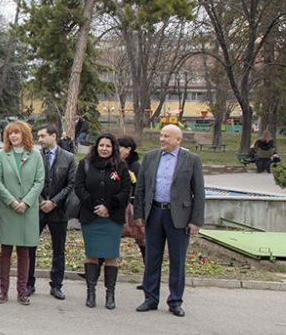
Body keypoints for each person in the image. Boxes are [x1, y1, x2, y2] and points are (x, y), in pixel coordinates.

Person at [134, 124, 205, 317]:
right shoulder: (150, 157)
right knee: (152, 258)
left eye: (167, 136)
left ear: (178, 140)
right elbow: (140, 189)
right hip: (155, 213)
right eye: (161, 135)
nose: (162, 139)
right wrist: (139, 214)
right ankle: (150, 298)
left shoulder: (191, 160)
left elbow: (198, 192)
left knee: (177, 260)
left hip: (179, 217)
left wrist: (196, 221)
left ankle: (175, 301)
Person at [73, 134, 131, 309]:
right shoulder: (85, 164)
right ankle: (91, 293)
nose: (104, 148)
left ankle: (110, 294)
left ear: (113, 148)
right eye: (101, 145)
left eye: (108, 146)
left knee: (111, 255)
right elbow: (79, 187)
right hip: (91, 217)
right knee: (91, 254)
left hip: (112, 218)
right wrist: (95, 206)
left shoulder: (120, 166)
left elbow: (125, 190)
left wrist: (108, 207)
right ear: (96, 147)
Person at [0, 121, 45, 305]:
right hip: (8, 209)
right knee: (5, 251)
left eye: (17, 133)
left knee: (24, 251)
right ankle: (3, 291)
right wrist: (12, 201)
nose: (13, 136)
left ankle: (22, 291)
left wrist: (27, 202)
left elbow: (39, 181)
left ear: (25, 134)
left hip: (27, 211)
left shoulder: (35, 155)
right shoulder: (1, 155)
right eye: (10, 133)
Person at [27, 123, 76, 300]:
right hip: (36, 210)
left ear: (53, 136)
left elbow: (71, 183)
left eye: (42, 136)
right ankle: (28, 283)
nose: (39, 140)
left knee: (59, 250)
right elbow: (29, 181)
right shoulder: (34, 156)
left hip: (58, 210)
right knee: (30, 247)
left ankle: (56, 285)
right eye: (38, 136)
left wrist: (54, 202)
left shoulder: (68, 158)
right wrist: (41, 201)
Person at [117, 135, 146, 289]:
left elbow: (139, 187)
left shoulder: (135, 166)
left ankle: (148, 276)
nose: (116, 149)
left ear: (128, 149)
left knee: (141, 240)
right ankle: (95, 268)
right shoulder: (114, 163)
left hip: (132, 209)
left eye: (119, 146)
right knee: (112, 237)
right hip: (119, 209)